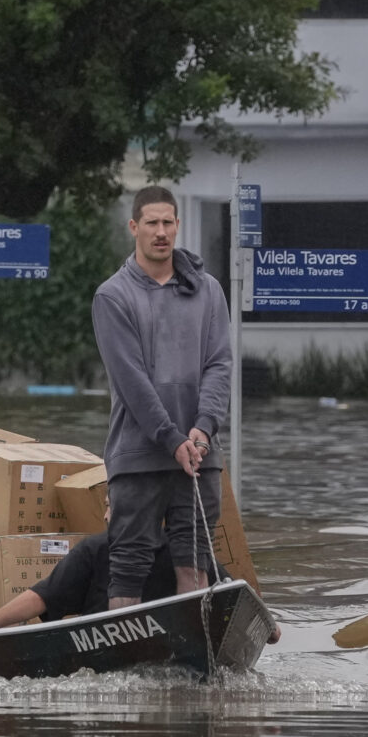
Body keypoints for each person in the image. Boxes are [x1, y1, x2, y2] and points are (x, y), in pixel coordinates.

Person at [90, 184, 231, 608]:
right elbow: (131, 380)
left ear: (178, 226)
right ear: (134, 227)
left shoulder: (208, 291)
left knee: (195, 566)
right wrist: (172, 440)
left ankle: (194, 664)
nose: (160, 232)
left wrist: (203, 431)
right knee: (128, 571)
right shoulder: (112, 296)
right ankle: (126, 663)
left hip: (200, 455)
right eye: (151, 223)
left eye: (168, 222)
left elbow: (219, 365)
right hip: (137, 456)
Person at [0, 524, 172, 643]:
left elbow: (43, 597)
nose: (104, 515)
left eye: (109, 506)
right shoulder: (185, 550)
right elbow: (47, 595)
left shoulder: (96, 546)